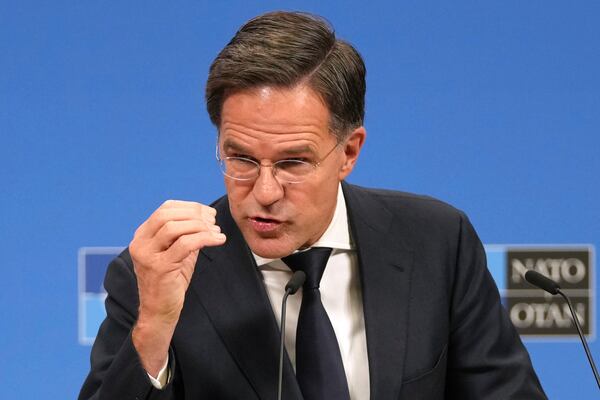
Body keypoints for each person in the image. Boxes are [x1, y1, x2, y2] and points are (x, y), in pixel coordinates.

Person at [79, 11, 547, 400]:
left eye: (292, 163)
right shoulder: (163, 272)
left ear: (348, 152)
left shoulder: (437, 242)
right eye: (241, 158)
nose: (264, 191)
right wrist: (153, 330)